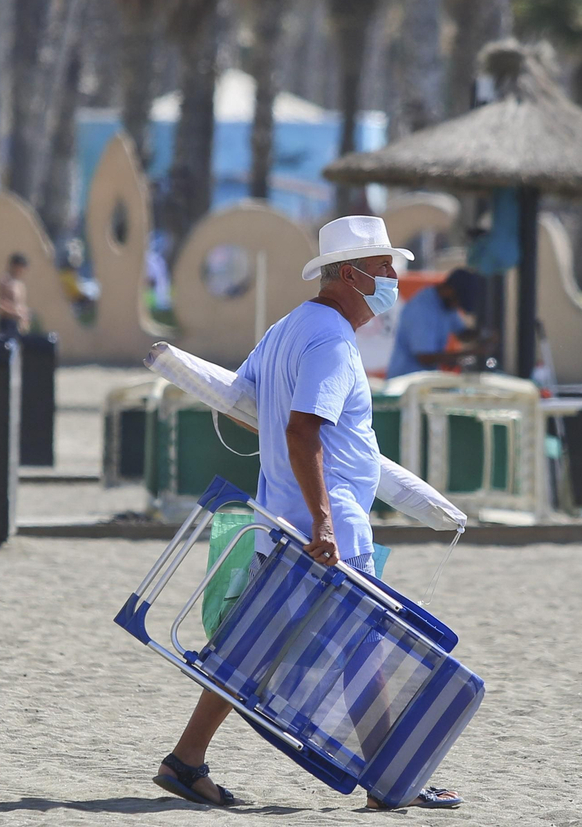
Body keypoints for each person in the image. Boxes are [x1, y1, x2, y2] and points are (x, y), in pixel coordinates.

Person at [152, 215, 462, 811]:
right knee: (363, 649)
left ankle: (186, 760)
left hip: (279, 522)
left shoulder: (287, 328)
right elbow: (301, 431)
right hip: (328, 528)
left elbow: (246, 405)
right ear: (350, 274)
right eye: (383, 267)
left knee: (252, 645)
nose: (393, 277)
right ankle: (389, 783)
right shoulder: (332, 341)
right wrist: (323, 519)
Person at [386, 267, 485, 379]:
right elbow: (424, 357)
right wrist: (472, 353)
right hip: (404, 381)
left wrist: (483, 335)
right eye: (457, 302)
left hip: (425, 380)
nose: (457, 306)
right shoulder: (422, 309)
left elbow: (462, 334)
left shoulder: (447, 304)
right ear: (448, 290)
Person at [0, 253, 29, 335]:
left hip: (17, 323)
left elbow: (21, 304)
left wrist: (24, 317)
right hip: (6, 321)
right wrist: (15, 312)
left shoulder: (19, 283)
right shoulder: (5, 281)